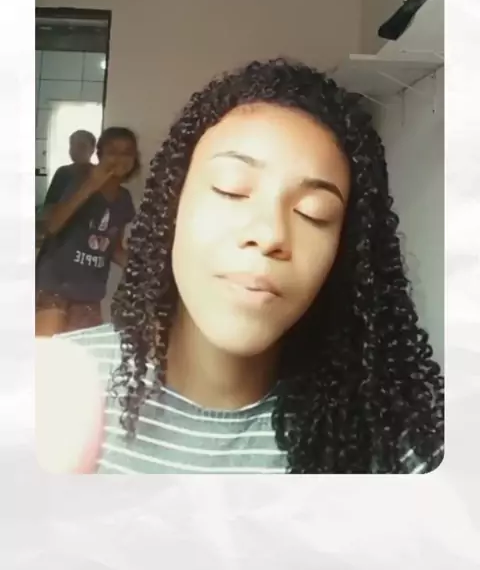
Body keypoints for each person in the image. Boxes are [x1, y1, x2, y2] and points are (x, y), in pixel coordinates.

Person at [38, 59, 444, 474]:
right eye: (230, 189)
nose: (269, 234)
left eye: (314, 212)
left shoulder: (389, 440)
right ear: (171, 207)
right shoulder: (48, 390)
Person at [35, 127, 140, 337]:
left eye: (127, 152)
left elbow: (113, 247)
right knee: (46, 353)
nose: (119, 158)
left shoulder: (124, 199)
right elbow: (52, 226)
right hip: (55, 286)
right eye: (112, 151)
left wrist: (142, 269)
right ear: (99, 154)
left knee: (82, 356)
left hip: (89, 294)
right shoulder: (74, 178)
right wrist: (91, 185)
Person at [43, 130, 97, 209]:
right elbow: (49, 205)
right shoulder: (62, 172)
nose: (76, 150)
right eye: (72, 145)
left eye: (81, 146)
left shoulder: (98, 173)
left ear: (92, 149)